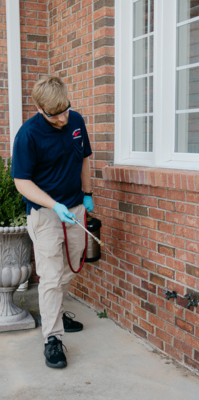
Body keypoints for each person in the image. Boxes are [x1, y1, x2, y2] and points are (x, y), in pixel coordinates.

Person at [11, 75, 94, 369]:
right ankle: (52, 338)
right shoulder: (28, 135)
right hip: (46, 214)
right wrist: (53, 205)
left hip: (75, 208)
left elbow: (84, 158)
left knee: (70, 267)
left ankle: (54, 312)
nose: (61, 118)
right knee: (49, 275)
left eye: (65, 110)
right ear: (38, 108)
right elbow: (22, 182)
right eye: (53, 114)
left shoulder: (76, 121)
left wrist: (87, 195)